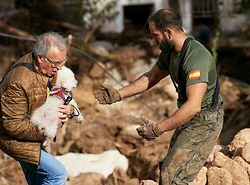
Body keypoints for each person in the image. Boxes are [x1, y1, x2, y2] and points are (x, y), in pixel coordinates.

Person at [94, 9, 224, 184]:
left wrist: (158, 129)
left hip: (205, 120)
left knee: (173, 176)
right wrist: (118, 94)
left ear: (168, 32)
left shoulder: (195, 56)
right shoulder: (171, 52)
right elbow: (152, 76)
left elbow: (194, 106)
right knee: (168, 169)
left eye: (155, 35)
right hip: (190, 117)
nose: (153, 40)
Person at [0, 32, 75, 185]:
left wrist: (69, 110)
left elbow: (60, 93)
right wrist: (49, 127)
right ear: (40, 57)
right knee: (58, 174)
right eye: (56, 63)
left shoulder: (48, 68)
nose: (60, 68)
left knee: (38, 181)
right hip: (13, 139)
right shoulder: (18, 82)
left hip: (33, 130)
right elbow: (13, 126)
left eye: (63, 62)